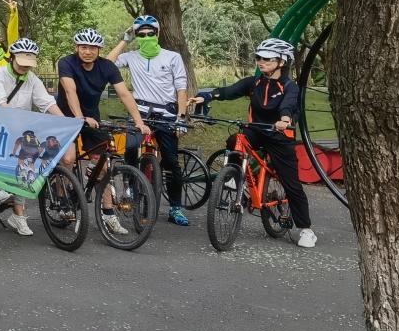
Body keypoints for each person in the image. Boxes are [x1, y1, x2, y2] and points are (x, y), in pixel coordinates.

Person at [193, 38, 315, 247]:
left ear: (281, 62)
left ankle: (306, 229)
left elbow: (288, 105)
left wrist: (285, 120)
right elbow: (229, 91)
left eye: (267, 59)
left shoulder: (289, 86)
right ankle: (234, 176)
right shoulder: (254, 83)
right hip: (257, 131)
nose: (261, 62)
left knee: (291, 184)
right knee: (235, 138)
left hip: (279, 136)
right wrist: (208, 97)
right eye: (259, 57)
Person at [55, 29, 152, 233]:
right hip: (66, 117)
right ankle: (62, 197)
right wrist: (80, 117)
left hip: (93, 118)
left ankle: (108, 214)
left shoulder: (107, 66)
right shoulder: (66, 63)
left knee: (104, 167)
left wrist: (139, 122)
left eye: (92, 48)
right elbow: (70, 91)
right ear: (77, 48)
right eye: (83, 47)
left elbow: (124, 94)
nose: (87, 51)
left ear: (99, 50)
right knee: (68, 159)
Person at [108, 15, 194, 225]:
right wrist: (125, 40)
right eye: (141, 35)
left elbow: (181, 88)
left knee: (172, 162)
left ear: (157, 33)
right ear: (137, 36)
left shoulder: (172, 57)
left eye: (150, 34)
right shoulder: (131, 56)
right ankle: (130, 188)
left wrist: (181, 117)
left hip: (166, 114)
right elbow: (107, 64)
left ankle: (175, 208)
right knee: (130, 149)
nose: (146, 37)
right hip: (140, 113)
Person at [0, 38, 62, 236]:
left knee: (26, 167)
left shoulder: (32, 79)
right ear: (12, 57)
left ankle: (18, 216)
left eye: (29, 64)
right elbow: (1, 103)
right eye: (21, 62)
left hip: (21, 127)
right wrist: (14, 121)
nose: (25, 67)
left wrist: (65, 120)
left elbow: (46, 102)